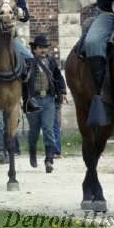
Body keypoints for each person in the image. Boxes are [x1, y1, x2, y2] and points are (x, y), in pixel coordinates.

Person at [24, 35, 67, 173]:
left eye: (45, 47)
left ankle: (49, 160)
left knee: (48, 129)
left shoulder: (51, 61)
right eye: (40, 47)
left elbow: (58, 77)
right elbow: (22, 82)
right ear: (34, 49)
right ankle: (32, 152)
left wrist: (63, 91)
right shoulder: (28, 62)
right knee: (34, 131)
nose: (43, 50)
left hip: (48, 99)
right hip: (33, 100)